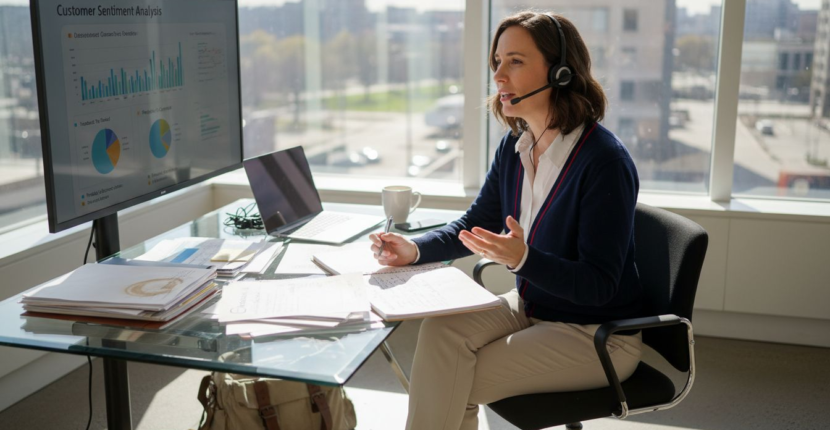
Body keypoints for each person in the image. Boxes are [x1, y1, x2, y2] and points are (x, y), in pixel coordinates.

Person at [369, 11, 644, 430]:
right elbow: (477, 221)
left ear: (562, 72)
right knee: (440, 335)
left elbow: (599, 286)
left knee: (448, 381)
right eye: (496, 62)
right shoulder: (516, 146)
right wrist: (417, 248)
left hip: (597, 332)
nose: (499, 75)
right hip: (535, 307)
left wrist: (524, 260)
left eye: (515, 61)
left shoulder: (603, 161)